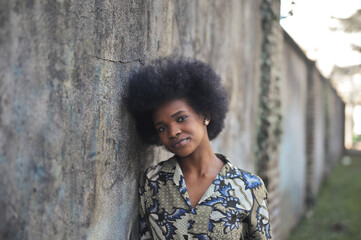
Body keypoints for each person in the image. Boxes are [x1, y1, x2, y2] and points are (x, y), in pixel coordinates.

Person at [126, 57, 271, 240]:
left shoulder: (249, 186)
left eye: (181, 118)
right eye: (161, 128)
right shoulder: (151, 182)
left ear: (205, 115)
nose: (173, 132)